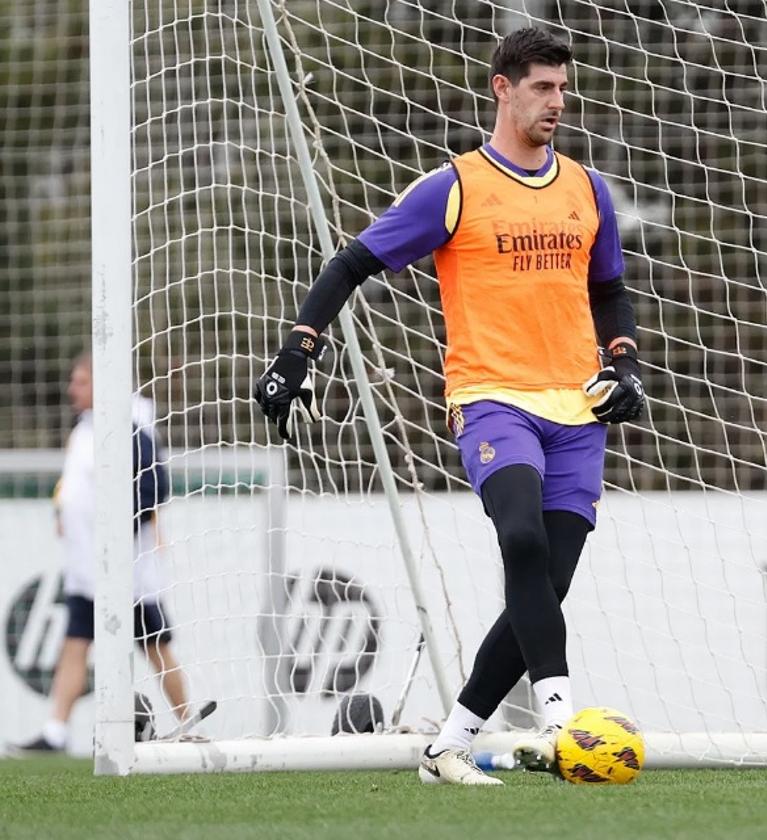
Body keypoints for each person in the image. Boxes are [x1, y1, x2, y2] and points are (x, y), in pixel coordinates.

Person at [253, 27, 643, 785]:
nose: (557, 102)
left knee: (549, 581)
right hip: (492, 398)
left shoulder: (587, 189)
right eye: (541, 87)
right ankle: (563, 718)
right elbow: (353, 261)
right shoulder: (456, 186)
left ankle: (447, 744)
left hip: (577, 410)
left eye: (563, 88)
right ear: (502, 88)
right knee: (521, 538)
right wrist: (299, 345)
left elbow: (611, 293)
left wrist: (625, 364)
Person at [18, 352, 189, 753]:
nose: (71, 389)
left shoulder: (129, 426)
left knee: (155, 646)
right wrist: (62, 508)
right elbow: (74, 485)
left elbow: (154, 486)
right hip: (87, 567)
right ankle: (56, 731)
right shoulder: (85, 429)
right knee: (75, 642)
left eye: (79, 382)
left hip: (123, 570)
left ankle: (187, 722)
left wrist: (119, 531)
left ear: (102, 383)